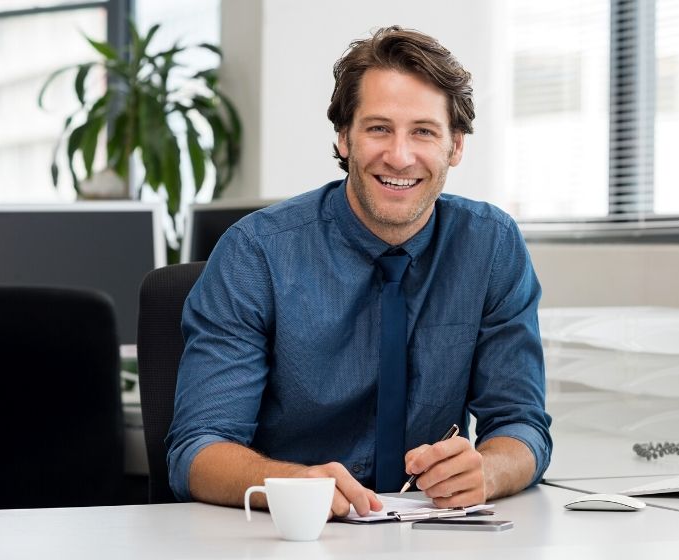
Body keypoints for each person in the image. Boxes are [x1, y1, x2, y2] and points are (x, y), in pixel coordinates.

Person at [166, 26, 552, 518]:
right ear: (344, 138)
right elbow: (196, 450)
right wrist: (294, 484)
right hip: (289, 538)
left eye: (423, 131)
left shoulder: (491, 245)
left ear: (455, 146)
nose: (399, 155)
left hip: (430, 538)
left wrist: (487, 470)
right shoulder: (255, 254)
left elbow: (522, 426)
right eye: (378, 128)